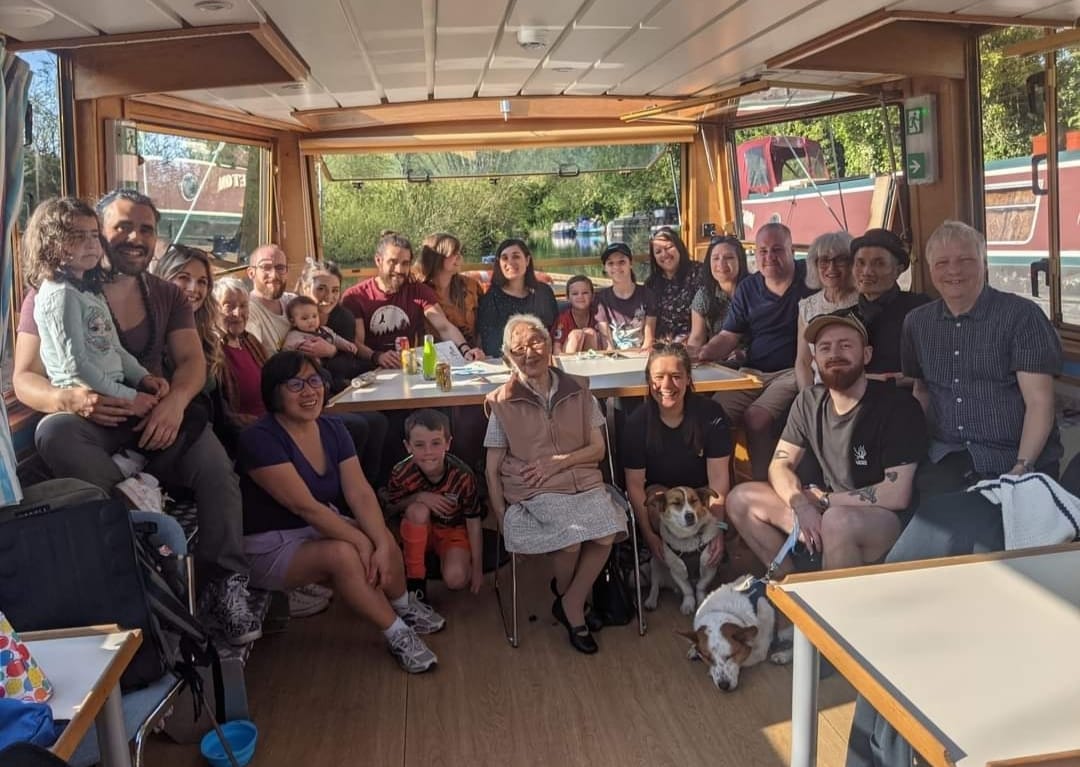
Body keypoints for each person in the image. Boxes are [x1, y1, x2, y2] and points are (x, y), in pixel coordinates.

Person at [13, 188, 261, 645]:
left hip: (156, 419)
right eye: (122, 226)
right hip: (96, 421)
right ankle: (144, 558)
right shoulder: (50, 293)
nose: (135, 237)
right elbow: (25, 377)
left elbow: (190, 362)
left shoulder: (168, 294)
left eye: (146, 229)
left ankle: (226, 584)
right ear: (96, 233)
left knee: (215, 468)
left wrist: (173, 402)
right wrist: (67, 399)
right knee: (53, 433)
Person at [238, 351, 445, 673]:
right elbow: (303, 506)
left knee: (383, 537)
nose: (308, 391)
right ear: (273, 392)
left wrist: (378, 541)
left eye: (314, 380)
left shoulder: (332, 427)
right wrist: (363, 544)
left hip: (314, 526)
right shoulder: (259, 439)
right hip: (269, 543)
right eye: (295, 384)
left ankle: (404, 606)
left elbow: (359, 491)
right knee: (345, 553)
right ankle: (397, 633)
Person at [725, 312, 927, 574]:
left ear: (866, 355)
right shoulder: (809, 400)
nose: (834, 354)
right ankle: (789, 588)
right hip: (825, 509)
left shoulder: (897, 406)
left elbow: (897, 494)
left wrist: (825, 502)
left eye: (845, 345)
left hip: (883, 520)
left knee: (837, 521)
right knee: (741, 499)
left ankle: (835, 611)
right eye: (825, 347)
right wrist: (801, 504)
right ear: (815, 358)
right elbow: (780, 465)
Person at [22, 197, 182, 510]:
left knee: (194, 413)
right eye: (77, 236)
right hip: (91, 400)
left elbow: (115, 348)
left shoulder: (89, 291)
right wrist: (130, 399)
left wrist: (144, 378)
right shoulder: (59, 295)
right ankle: (130, 501)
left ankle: (133, 472)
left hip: (117, 391)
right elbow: (76, 363)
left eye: (94, 235)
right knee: (59, 434)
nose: (91, 244)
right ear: (51, 245)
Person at [484, 314, 627, 654]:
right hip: (535, 488)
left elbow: (597, 448)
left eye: (536, 343)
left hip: (582, 478)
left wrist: (559, 462)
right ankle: (575, 609)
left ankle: (569, 600)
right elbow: (491, 469)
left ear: (550, 345)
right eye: (518, 348)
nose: (529, 353)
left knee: (607, 531)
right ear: (507, 356)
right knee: (571, 540)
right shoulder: (502, 403)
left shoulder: (578, 390)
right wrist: (501, 516)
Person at [902, 220, 1062, 496]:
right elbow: (922, 391)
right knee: (933, 531)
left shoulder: (1022, 316)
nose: (953, 270)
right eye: (942, 263)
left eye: (965, 259)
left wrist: (1022, 468)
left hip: (1013, 458)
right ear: (930, 270)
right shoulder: (916, 323)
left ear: (984, 263)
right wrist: (910, 457)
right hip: (946, 456)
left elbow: (1040, 402)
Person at [698, 223, 815, 480]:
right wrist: (704, 352)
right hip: (752, 371)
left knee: (756, 417)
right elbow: (729, 336)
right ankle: (724, 484)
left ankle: (764, 482)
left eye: (777, 250)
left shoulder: (810, 280)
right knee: (713, 414)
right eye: (762, 251)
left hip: (793, 370)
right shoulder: (749, 288)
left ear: (792, 250)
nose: (769, 257)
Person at [622, 343, 732, 568]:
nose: (666, 385)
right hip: (662, 498)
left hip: (700, 496)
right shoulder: (636, 423)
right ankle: (659, 556)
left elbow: (719, 480)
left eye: (675, 376)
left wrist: (718, 530)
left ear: (689, 379)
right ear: (648, 380)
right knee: (654, 498)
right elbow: (634, 485)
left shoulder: (711, 414)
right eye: (659, 377)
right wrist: (648, 537)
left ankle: (707, 552)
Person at [383, 409, 484, 603]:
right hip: (417, 527)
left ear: (448, 443)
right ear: (407, 446)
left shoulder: (463, 475)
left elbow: (473, 520)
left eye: (436, 443)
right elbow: (390, 509)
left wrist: (478, 568)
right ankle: (416, 583)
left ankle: (454, 560)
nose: (428, 452)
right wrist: (419, 497)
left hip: (452, 530)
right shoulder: (400, 471)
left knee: (456, 580)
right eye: (419, 445)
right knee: (417, 510)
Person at [342, 231, 483, 368]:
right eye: (393, 262)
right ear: (378, 260)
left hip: (408, 367)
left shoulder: (418, 291)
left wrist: (465, 350)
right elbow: (356, 343)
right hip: (370, 369)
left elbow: (444, 326)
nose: (399, 269)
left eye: (405, 263)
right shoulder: (356, 296)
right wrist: (377, 356)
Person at [849, 228, 930, 378]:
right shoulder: (846, 317)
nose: (866, 271)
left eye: (879, 264)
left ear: (898, 270)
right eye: (860, 263)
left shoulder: (919, 310)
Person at [296, 259, 371, 394]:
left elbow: (348, 362)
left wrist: (331, 351)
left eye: (335, 290)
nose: (329, 296)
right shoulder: (293, 312)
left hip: (334, 384)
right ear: (305, 288)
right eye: (321, 289)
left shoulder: (344, 317)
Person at [795, 231, 858, 389]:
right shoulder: (807, 307)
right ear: (814, 265)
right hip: (820, 390)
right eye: (824, 260)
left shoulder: (865, 301)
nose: (831, 267)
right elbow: (803, 362)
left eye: (840, 260)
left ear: (852, 264)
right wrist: (807, 397)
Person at [476, 238, 559, 357]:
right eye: (505, 258)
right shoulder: (491, 299)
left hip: (545, 359)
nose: (510, 262)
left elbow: (554, 330)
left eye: (516, 257)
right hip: (509, 362)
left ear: (527, 260)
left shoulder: (544, 292)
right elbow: (491, 345)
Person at [414, 232, 483, 348]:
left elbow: (482, 325)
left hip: (472, 355)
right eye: (453, 253)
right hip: (434, 356)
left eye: (459, 253)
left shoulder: (471, 286)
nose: (459, 257)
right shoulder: (420, 290)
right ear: (436, 257)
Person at [687, 234, 747, 353]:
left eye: (729, 257)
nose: (721, 264)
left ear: (740, 261)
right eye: (715, 258)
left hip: (752, 360)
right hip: (716, 358)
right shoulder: (704, 295)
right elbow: (697, 337)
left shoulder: (754, 289)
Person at [594, 242, 657, 351]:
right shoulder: (601, 298)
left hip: (641, 354)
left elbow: (649, 339)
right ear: (605, 268)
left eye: (622, 262)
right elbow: (606, 342)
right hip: (614, 357)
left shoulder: (647, 294)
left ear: (630, 263)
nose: (616, 267)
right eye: (610, 263)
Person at [644, 227, 701, 343]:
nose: (664, 254)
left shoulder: (698, 272)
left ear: (679, 247)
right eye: (658, 252)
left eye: (669, 247)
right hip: (661, 346)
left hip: (693, 343)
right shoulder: (651, 283)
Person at [244, 243, 298, 358]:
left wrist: (331, 349)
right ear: (251, 273)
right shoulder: (247, 310)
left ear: (287, 272)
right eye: (266, 267)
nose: (274, 275)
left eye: (280, 268)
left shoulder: (293, 302)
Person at [282, 295, 359, 358]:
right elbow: (287, 350)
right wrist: (304, 348)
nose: (311, 321)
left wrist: (347, 345)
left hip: (328, 363)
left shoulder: (324, 330)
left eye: (314, 316)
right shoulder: (295, 335)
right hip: (308, 367)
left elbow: (335, 339)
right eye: (304, 318)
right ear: (293, 322)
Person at [553, 275, 602, 355]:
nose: (580, 297)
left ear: (592, 296)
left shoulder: (598, 315)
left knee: (590, 332)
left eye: (585, 293)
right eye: (575, 294)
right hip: (567, 359)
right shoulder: (563, 319)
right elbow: (556, 349)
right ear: (568, 297)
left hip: (592, 357)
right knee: (576, 334)